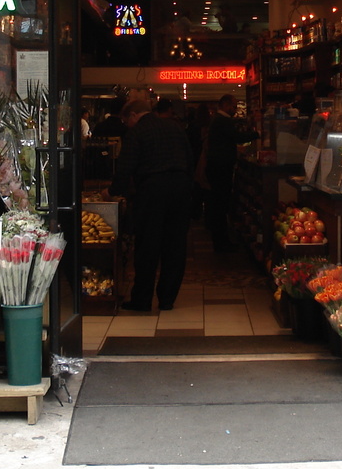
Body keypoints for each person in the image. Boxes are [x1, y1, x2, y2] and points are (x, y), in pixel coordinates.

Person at [110, 98, 195, 312]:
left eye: (126, 120)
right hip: (180, 188)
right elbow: (190, 158)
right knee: (175, 246)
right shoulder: (175, 128)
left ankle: (142, 299)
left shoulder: (137, 132)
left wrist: (114, 191)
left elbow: (126, 166)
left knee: (148, 245)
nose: (127, 124)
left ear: (133, 115)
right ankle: (167, 299)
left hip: (151, 190)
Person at [202, 93, 260, 253]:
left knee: (218, 203)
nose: (235, 110)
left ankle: (220, 239)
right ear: (226, 105)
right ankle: (221, 241)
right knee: (221, 203)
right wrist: (256, 133)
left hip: (216, 167)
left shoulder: (217, 121)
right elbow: (237, 138)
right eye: (233, 106)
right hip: (221, 168)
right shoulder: (223, 121)